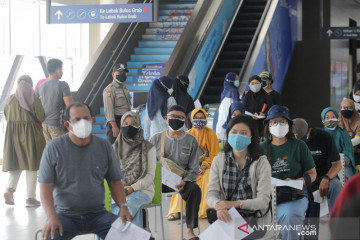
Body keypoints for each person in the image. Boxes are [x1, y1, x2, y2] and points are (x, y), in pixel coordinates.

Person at [38, 102, 132, 240]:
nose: (83, 123)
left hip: (98, 215)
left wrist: (123, 206)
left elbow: (115, 182)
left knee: (130, 236)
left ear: (92, 120)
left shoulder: (104, 147)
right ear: (67, 125)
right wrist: (52, 217)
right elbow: (45, 189)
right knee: (52, 236)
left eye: (86, 118)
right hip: (64, 216)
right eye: (77, 120)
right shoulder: (54, 149)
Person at [207, 115, 272, 238]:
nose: (238, 136)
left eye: (243, 133)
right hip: (226, 218)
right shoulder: (219, 160)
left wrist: (234, 204)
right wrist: (218, 206)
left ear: (251, 137)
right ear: (228, 134)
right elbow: (211, 193)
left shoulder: (261, 162)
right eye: (234, 132)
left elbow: (263, 201)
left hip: (254, 220)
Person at [260, 105, 317, 240]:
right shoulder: (260, 148)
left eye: (282, 122)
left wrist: (297, 182)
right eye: (274, 122)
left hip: (293, 195)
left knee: (290, 216)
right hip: (267, 196)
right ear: (268, 125)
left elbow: (312, 174)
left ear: (289, 125)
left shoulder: (299, 146)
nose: (278, 125)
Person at [150, 105, 201, 240]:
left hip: (181, 182)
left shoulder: (191, 140)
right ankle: (146, 230)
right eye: (173, 117)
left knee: (195, 189)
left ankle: (189, 231)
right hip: (158, 182)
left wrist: (185, 182)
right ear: (166, 118)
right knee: (140, 193)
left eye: (180, 117)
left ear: (185, 121)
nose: (176, 120)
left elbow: (194, 168)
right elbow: (147, 164)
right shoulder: (155, 139)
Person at [167, 108, 220, 220]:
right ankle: (177, 211)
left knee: (207, 176)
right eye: (196, 118)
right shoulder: (187, 134)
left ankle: (204, 210)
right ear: (191, 119)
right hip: (190, 167)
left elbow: (215, 154)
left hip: (207, 166)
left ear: (205, 119)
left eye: (201, 118)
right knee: (181, 178)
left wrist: (204, 166)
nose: (198, 120)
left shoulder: (211, 134)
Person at [3, 75, 46, 207]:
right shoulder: (34, 99)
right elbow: (42, 116)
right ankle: (30, 198)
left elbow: (6, 116)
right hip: (31, 136)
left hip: (13, 137)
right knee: (32, 166)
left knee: (16, 163)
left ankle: (9, 190)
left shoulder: (9, 100)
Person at [112, 111, 156, 231]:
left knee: (128, 207)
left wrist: (132, 188)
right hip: (120, 191)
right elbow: (111, 175)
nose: (129, 127)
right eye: (125, 123)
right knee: (117, 208)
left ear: (138, 126)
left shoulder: (149, 148)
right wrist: (122, 189)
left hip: (142, 190)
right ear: (121, 126)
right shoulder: (114, 148)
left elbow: (150, 176)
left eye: (133, 123)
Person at [293, 118, 342, 212]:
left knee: (336, 185)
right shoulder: (290, 140)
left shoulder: (324, 136)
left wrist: (326, 178)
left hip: (323, 176)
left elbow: (337, 164)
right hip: (304, 180)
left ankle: (336, 222)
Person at [35, 58, 73, 143]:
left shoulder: (40, 87)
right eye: (61, 69)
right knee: (61, 152)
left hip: (44, 125)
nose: (62, 71)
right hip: (58, 125)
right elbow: (70, 106)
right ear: (58, 70)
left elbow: (35, 106)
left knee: (51, 152)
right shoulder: (63, 85)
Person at [321, 107, 356, 181]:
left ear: (337, 118)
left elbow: (348, 152)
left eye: (333, 117)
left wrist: (343, 162)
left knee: (346, 175)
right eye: (327, 117)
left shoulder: (343, 134)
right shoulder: (319, 134)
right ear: (323, 120)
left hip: (341, 163)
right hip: (324, 163)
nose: (330, 119)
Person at [102, 63, 131, 144]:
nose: (123, 74)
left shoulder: (125, 88)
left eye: (124, 72)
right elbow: (109, 109)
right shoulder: (109, 89)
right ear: (113, 74)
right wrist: (114, 126)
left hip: (126, 122)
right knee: (114, 149)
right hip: (116, 122)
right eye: (119, 72)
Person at [216, 72, 240, 140]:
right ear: (231, 80)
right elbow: (237, 105)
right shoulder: (234, 91)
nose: (238, 81)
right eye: (236, 79)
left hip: (220, 125)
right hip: (228, 125)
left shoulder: (225, 90)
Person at [338, 98, 360, 171]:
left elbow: (358, 139)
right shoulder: (338, 118)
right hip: (340, 152)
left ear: (353, 108)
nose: (346, 110)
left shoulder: (358, 119)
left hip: (356, 152)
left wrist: (345, 144)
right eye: (344, 108)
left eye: (349, 108)